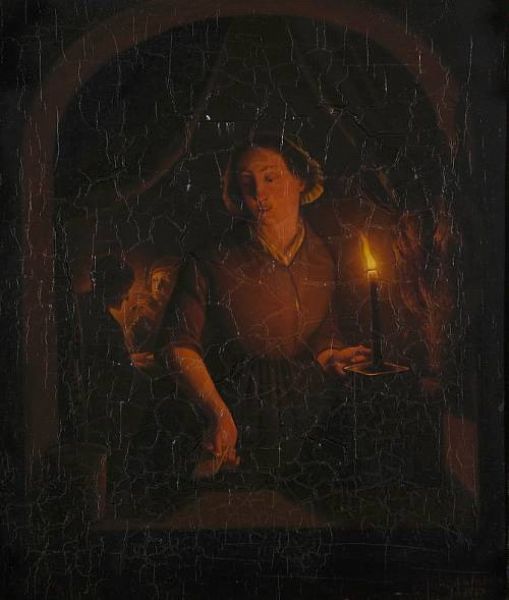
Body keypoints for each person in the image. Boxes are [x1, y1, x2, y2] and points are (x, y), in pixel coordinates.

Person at [161, 133, 370, 487]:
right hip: (234, 417)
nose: (259, 192)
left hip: (308, 417)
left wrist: (331, 354)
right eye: (247, 183)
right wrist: (218, 414)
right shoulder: (211, 259)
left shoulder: (323, 255)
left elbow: (321, 331)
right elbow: (178, 345)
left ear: (300, 179)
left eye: (271, 177)